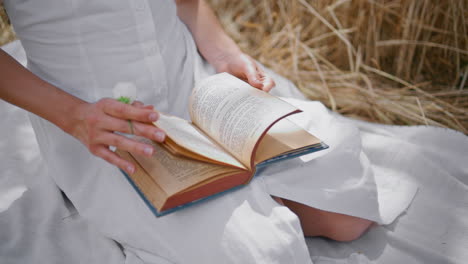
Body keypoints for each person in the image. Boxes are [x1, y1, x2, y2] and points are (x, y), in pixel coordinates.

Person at [0, 0, 414, 263]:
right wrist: (73, 116)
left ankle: (244, 195)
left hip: (191, 84)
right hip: (105, 123)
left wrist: (222, 52)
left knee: (348, 209)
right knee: (264, 253)